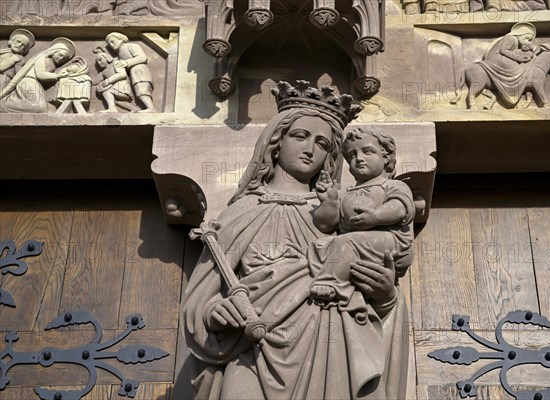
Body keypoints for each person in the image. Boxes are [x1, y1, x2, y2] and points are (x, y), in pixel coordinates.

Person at [182, 81, 411, 399]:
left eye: (322, 143)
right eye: (300, 136)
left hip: (328, 348)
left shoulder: (342, 214)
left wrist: (386, 298)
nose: (310, 149)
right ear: (276, 140)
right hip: (252, 348)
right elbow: (200, 299)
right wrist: (216, 312)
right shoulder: (243, 211)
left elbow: (375, 294)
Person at [309, 126, 415, 311]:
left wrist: (376, 216)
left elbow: (399, 208)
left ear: (386, 157)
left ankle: (331, 281)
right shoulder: (346, 194)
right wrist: (329, 201)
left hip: (392, 242)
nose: (358, 158)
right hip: (356, 244)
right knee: (321, 245)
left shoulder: (391, 185)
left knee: (346, 242)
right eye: (351, 155)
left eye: (367, 151)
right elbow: (326, 224)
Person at [0, 37, 75, 113]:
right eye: (60, 55)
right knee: (40, 108)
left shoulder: (52, 64)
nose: (61, 58)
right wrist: (57, 76)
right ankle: (2, 105)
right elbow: (40, 74)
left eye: (64, 59)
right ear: (54, 51)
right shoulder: (42, 57)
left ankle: (8, 103)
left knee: (42, 109)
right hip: (28, 82)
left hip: (36, 85)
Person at [476, 22, 539, 107]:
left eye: (529, 40)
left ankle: (510, 87)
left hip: (502, 57)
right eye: (526, 38)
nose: (526, 41)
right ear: (520, 34)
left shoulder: (516, 42)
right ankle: (511, 88)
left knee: (517, 67)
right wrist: (517, 58)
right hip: (496, 57)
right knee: (516, 68)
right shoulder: (511, 38)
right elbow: (503, 50)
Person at [105, 32, 156, 112]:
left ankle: (151, 108)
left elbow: (143, 57)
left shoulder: (131, 46)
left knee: (142, 90)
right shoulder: (119, 54)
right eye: (109, 44)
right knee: (138, 90)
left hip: (140, 71)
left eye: (113, 41)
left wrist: (127, 63)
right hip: (133, 73)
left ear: (120, 39)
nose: (111, 45)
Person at [94, 47, 133, 112]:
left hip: (123, 87)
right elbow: (95, 80)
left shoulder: (116, 63)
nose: (99, 63)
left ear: (106, 57)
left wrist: (108, 81)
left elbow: (122, 74)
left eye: (100, 59)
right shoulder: (104, 72)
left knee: (107, 92)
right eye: (97, 62)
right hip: (115, 88)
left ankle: (112, 109)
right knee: (113, 100)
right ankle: (134, 109)